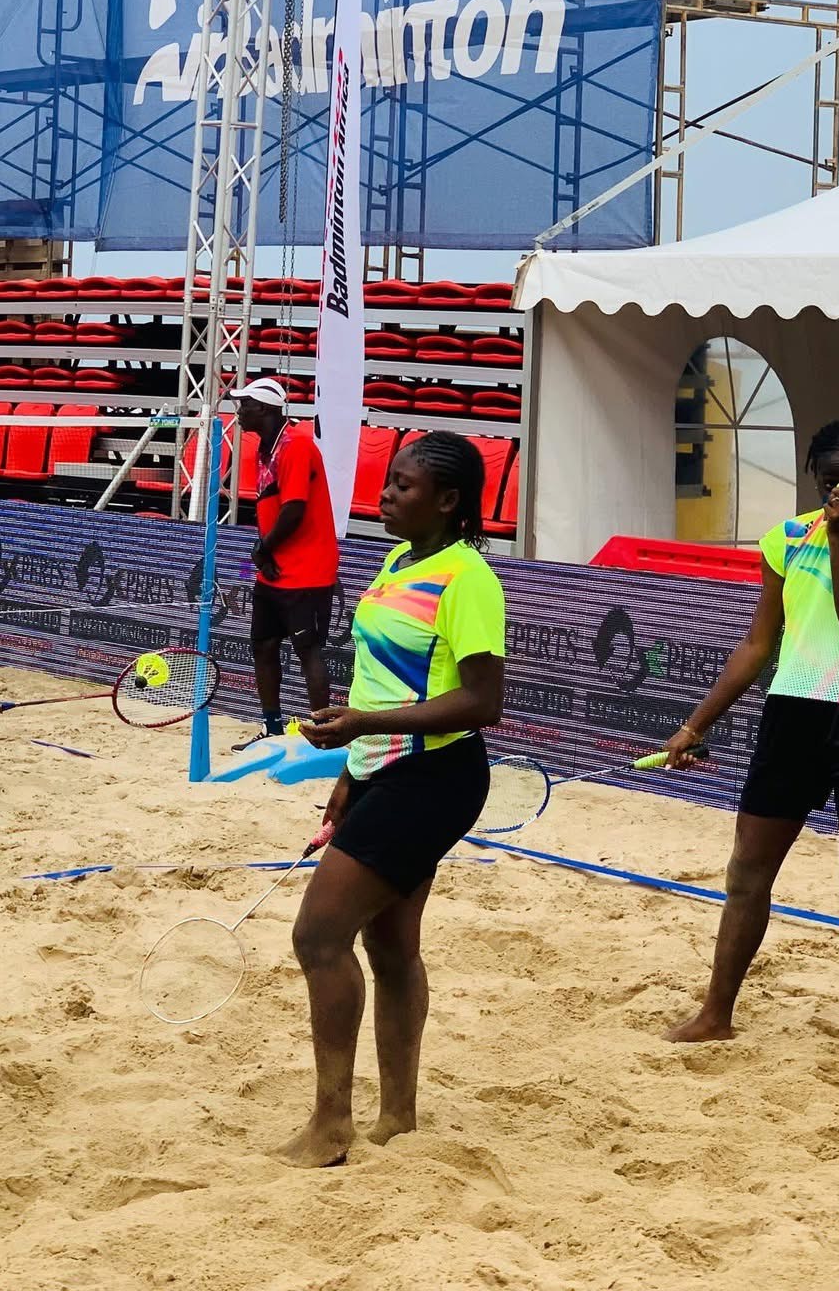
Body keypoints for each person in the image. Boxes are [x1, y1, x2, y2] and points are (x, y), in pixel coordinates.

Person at [661, 418, 839, 1073]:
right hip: (792, 716)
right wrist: (695, 725)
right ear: (815, 479)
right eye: (833, 480)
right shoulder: (783, 539)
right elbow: (758, 644)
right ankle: (716, 1014)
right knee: (747, 874)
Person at [285, 432, 506, 1167]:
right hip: (383, 769)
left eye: (403, 486)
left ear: (448, 501)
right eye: (388, 481)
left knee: (318, 935)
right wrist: (351, 773)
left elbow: (483, 701)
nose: (385, 494)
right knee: (389, 944)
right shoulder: (399, 561)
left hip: (434, 777)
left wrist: (366, 726)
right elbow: (377, 681)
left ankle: (330, 1124)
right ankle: (399, 1117)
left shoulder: (467, 578)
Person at [229, 378, 339, 744]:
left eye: (245, 405)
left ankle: (323, 735)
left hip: (307, 570)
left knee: (308, 651)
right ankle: (271, 727)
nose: (239, 412)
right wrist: (265, 554)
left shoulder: (297, 445)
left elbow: (293, 510)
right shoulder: (266, 448)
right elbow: (272, 508)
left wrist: (262, 549)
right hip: (275, 568)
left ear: (264, 409)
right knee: (263, 645)